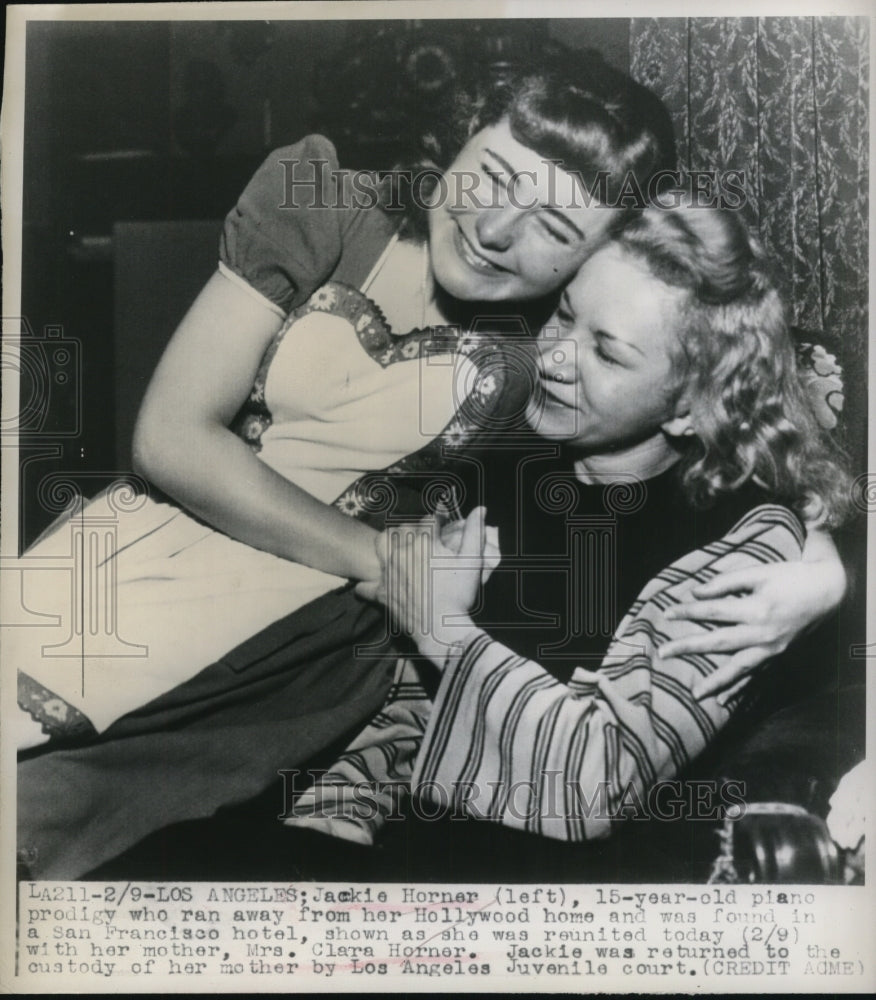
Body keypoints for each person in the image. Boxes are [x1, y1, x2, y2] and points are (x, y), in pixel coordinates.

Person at [16, 51, 843, 876]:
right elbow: (169, 438)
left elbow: (762, 389)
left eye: (556, 232)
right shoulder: (350, 221)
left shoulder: (536, 355)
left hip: (316, 657)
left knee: (70, 819)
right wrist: (386, 572)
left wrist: (823, 561)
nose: (493, 233)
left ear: (594, 250)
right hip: (163, 557)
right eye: (487, 180)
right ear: (454, 140)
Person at [331, 196, 852, 849]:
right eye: (565, 315)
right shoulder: (502, 460)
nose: (553, 358)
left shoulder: (746, 549)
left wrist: (442, 629)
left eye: (607, 353)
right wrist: (334, 816)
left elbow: (597, 785)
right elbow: (406, 695)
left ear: (691, 408)